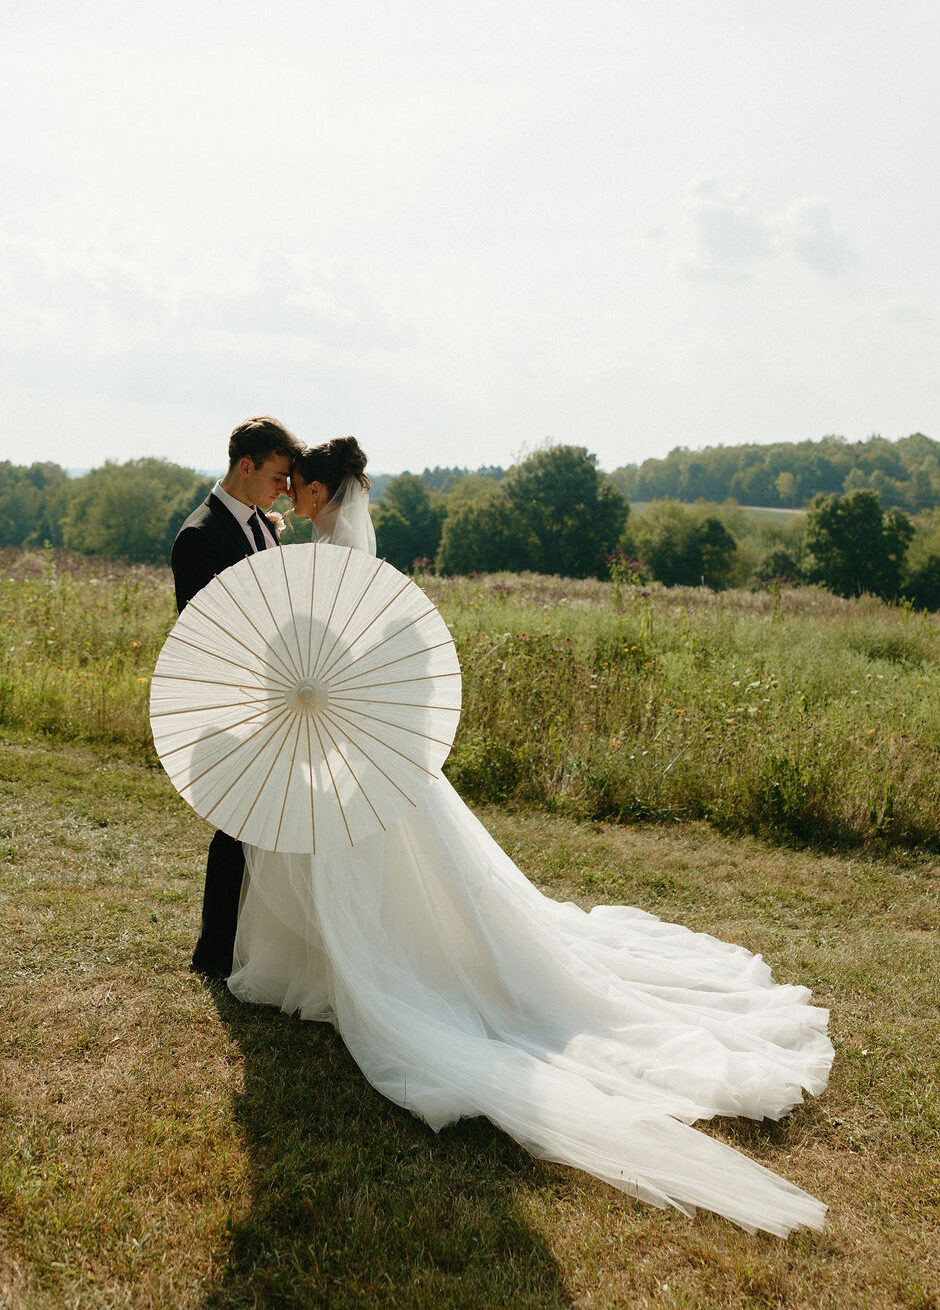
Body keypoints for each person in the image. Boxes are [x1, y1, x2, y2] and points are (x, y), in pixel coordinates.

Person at [226, 436, 834, 1237]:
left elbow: (351, 646)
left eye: (297, 485)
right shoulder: (327, 539)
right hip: (343, 733)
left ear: (318, 489)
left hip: (351, 734)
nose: (289, 495)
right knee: (347, 857)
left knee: (371, 863)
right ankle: (335, 966)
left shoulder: (338, 546)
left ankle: (378, 969)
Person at [171, 415, 302, 978]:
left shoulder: (263, 526)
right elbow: (204, 631)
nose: (284, 490)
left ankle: (244, 945)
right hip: (236, 701)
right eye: (277, 476)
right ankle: (214, 953)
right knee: (238, 823)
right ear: (245, 466)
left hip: (280, 697)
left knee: (266, 823)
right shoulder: (198, 537)